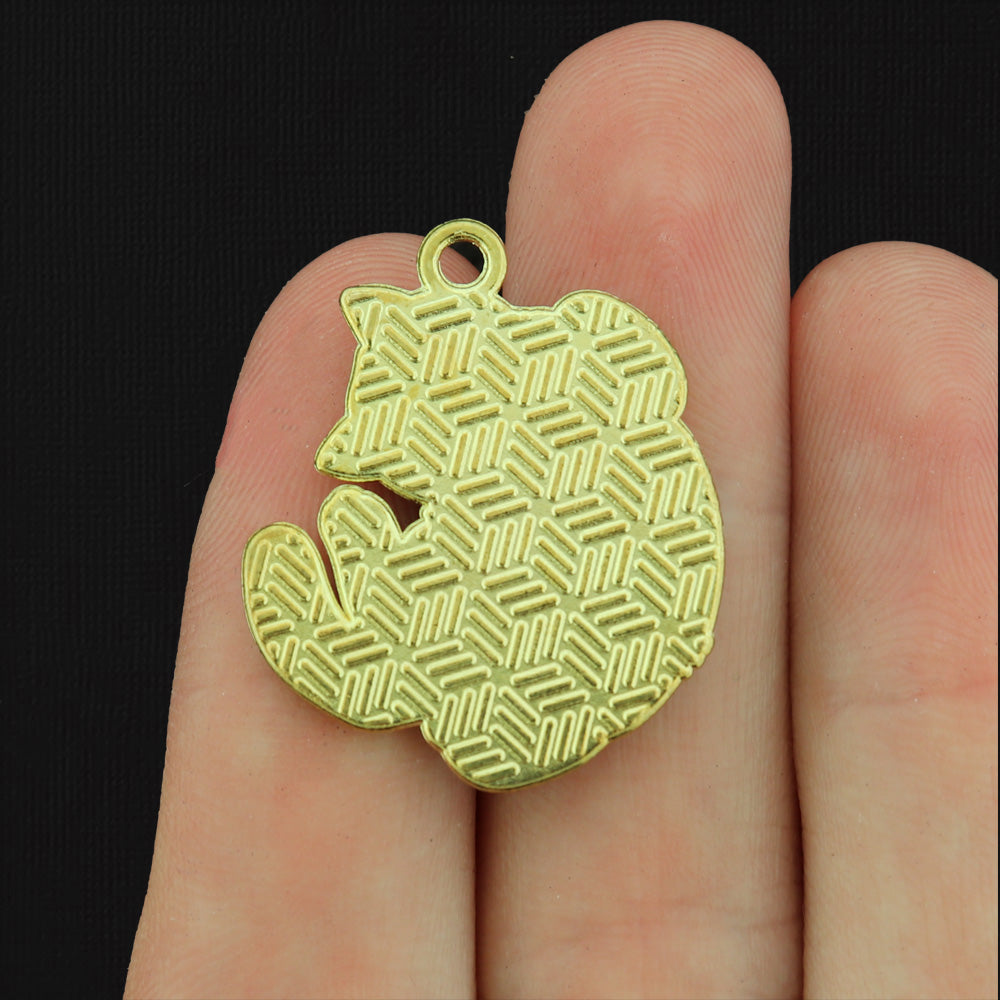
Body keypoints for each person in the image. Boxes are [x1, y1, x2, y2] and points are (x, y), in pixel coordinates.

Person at [123, 21, 997, 999]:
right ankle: (379, 630)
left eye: (373, 430)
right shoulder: (551, 397)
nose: (342, 460)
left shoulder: (550, 411)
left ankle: (376, 631)